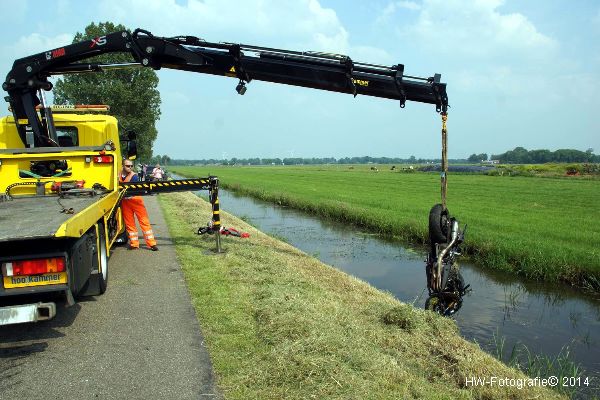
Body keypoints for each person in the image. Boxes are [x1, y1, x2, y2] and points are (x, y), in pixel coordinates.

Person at [119, 160, 158, 251]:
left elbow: (135, 190)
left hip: (136, 201)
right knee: (129, 223)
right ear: (122, 166)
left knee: (144, 222)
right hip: (125, 202)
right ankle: (134, 244)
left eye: (131, 166)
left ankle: (152, 244)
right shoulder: (118, 175)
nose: (130, 167)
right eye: (128, 166)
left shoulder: (134, 176)